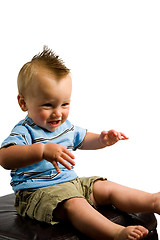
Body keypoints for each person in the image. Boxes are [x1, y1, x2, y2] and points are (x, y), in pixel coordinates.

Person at [0, 47, 160, 240]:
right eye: (48, 105)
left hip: (71, 183)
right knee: (74, 203)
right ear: (23, 103)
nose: (57, 113)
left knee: (105, 187)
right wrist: (41, 150)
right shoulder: (25, 131)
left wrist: (102, 140)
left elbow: (83, 139)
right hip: (36, 193)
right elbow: (5, 158)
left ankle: (153, 201)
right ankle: (116, 233)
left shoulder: (65, 127)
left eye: (64, 104)